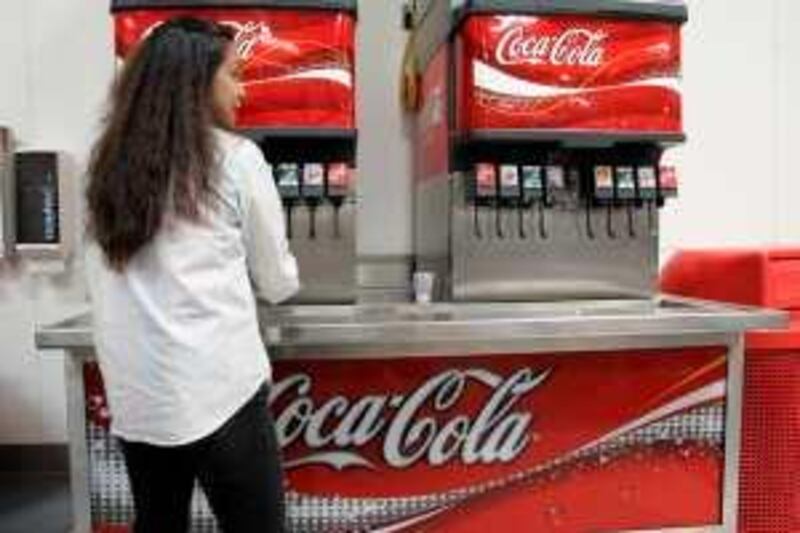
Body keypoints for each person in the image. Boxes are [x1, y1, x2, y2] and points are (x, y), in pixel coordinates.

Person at [84, 17, 299, 533]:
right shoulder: (236, 159)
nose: (242, 90)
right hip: (219, 392)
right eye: (234, 74)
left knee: (159, 522)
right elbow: (278, 281)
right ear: (197, 84)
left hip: (140, 399)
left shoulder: (108, 164)